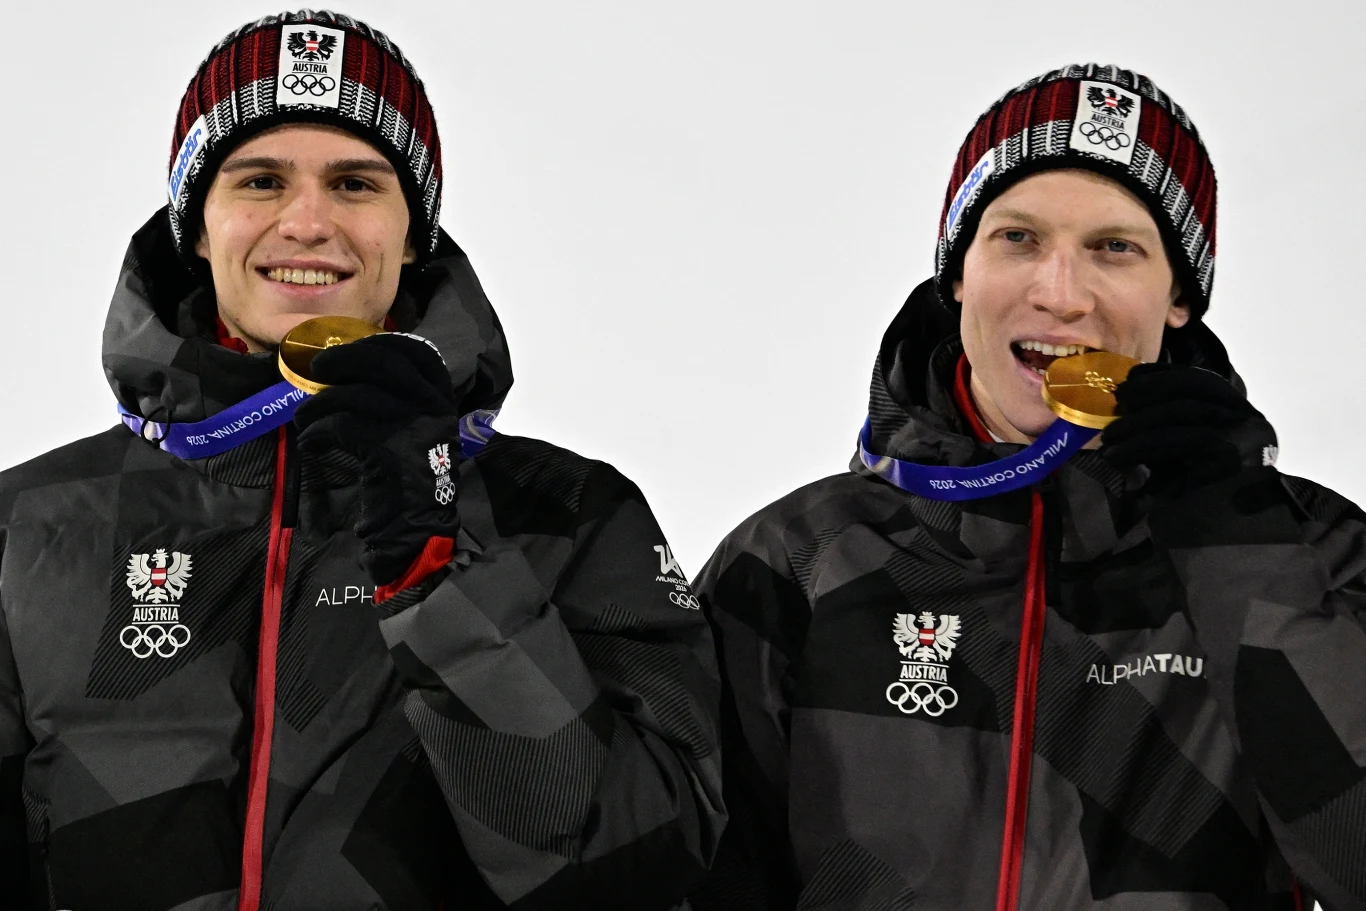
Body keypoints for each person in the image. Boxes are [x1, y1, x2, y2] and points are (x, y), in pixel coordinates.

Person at [0, 11, 722, 910]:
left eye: (355, 183)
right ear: (196, 225)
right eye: (260, 180)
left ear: (412, 232)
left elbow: (635, 872)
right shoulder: (28, 524)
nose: (308, 222)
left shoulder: (571, 514)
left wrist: (438, 569)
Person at [691, 64, 1366, 911]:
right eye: (1017, 238)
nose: (1060, 293)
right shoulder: (795, 560)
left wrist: (1231, 534)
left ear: (1180, 297)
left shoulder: (1315, 550)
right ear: (959, 274)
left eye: (1114, 247)